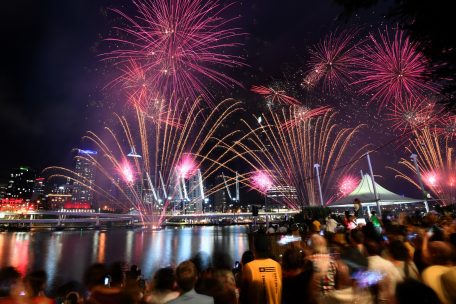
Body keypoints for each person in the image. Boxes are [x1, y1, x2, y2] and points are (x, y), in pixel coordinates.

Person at [239, 234, 282, 304]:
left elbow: (243, 295)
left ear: (254, 250)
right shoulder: (277, 265)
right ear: (269, 248)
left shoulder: (249, 267)